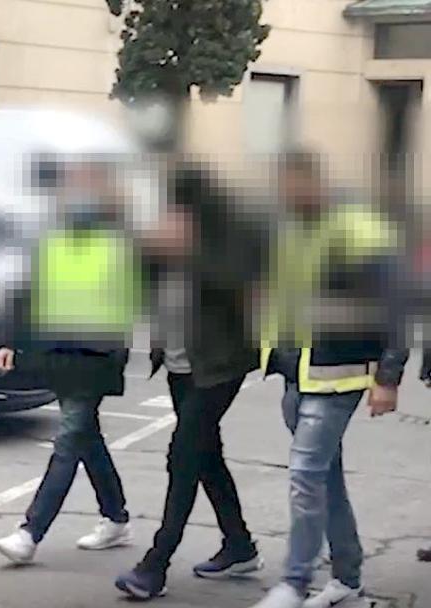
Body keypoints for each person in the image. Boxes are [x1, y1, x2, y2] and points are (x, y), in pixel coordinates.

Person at [250, 151, 410, 608]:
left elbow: (396, 304)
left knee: (304, 475)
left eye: (288, 184)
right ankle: (348, 578)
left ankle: (294, 583)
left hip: (336, 376)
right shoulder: (290, 230)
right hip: (295, 374)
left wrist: (389, 376)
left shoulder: (358, 227)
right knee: (325, 480)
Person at [114, 164, 265, 599]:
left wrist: (189, 249)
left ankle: (155, 564)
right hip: (180, 364)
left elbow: (239, 283)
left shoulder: (231, 234)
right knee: (205, 454)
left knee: (182, 456)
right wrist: (146, 248)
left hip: (218, 366)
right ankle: (239, 544)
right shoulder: (168, 231)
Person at [0, 159, 150, 564]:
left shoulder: (121, 243)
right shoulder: (53, 239)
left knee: (68, 439)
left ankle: (30, 532)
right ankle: (116, 518)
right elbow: (25, 291)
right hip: (57, 355)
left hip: (93, 359)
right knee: (86, 439)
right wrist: (9, 340)